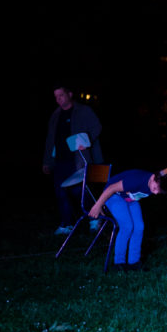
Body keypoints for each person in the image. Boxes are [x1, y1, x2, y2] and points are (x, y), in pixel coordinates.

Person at [43, 84, 103, 235]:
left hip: (78, 160)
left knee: (80, 191)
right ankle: (67, 223)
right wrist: (47, 161)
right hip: (60, 161)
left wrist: (86, 140)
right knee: (60, 192)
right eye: (56, 97)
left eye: (61, 95)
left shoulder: (83, 111)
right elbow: (50, 140)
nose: (58, 99)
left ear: (69, 94)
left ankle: (95, 218)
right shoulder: (55, 115)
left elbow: (97, 127)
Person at [88, 170, 165, 271]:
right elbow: (111, 188)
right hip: (113, 195)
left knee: (139, 227)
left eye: (158, 192)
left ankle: (134, 262)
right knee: (127, 226)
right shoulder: (136, 180)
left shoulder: (156, 182)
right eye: (155, 189)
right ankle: (119, 263)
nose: (154, 193)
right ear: (153, 178)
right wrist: (97, 205)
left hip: (129, 199)